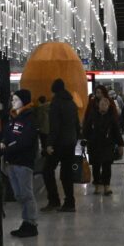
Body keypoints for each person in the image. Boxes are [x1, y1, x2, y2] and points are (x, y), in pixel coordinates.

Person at [1, 89, 41, 238]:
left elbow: (25, 140)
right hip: (12, 161)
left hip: (23, 161)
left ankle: (31, 223)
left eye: (16, 99)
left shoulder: (29, 118)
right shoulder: (14, 118)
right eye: (13, 99)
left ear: (24, 101)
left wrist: (8, 148)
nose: (13, 102)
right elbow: (8, 134)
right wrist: (4, 142)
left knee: (26, 194)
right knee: (19, 194)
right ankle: (26, 221)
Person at [43, 79, 80, 211]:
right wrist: (75, 139)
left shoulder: (56, 103)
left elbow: (55, 126)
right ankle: (70, 202)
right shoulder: (71, 103)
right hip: (70, 142)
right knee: (67, 173)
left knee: (47, 170)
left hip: (59, 143)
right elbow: (77, 124)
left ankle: (54, 200)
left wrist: (49, 144)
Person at [82, 92, 124, 196]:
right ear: (98, 105)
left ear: (108, 106)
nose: (103, 106)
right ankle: (97, 185)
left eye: (106, 104)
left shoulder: (111, 117)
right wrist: (84, 139)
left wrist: (121, 144)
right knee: (96, 166)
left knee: (107, 166)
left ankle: (107, 186)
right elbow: (86, 129)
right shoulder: (93, 116)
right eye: (102, 104)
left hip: (107, 145)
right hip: (94, 145)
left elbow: (116, 132)